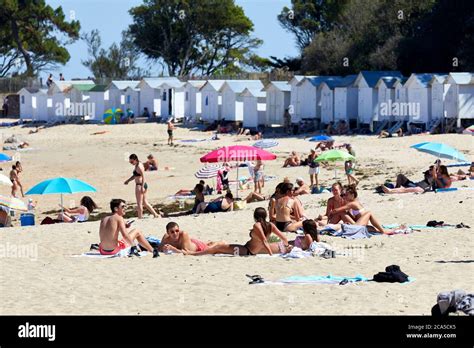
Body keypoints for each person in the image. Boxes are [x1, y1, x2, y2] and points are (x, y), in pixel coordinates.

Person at [184, 207, 291, 256]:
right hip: (250, 251)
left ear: (255, 216)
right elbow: (284, 238)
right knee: (220, 250)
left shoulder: (257, 225)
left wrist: (270, 254)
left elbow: (264, 240)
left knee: (217, 247)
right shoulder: (270, 225)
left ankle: (194, 254)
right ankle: (198, 252)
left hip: (246, 251)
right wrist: (285, 246)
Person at [124, 154, 160, 219]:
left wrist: (142, 187)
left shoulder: (139, 167)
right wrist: (128, 180)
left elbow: (143, 177)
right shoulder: (137, 165)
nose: (131, 163)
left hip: (140, 185)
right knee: (145, 202)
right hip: (142, 184)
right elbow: (135, 176)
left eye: (132, 162)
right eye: (130, 162)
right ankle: (155, 214)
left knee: (139, 203)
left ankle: (140, 217)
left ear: (135, 160)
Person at [159, 222, 225, 253]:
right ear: (168, 233)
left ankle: (220, 242)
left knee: (209, 247)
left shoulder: (183, 234)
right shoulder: (166, 237)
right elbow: (159, 249)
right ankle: (210, 242)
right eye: (172, 232)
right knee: (207, 243)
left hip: (198, 248)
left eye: (177, 231)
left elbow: (186, 252)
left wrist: (173, 249)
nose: (175, 233)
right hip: (190, 242)